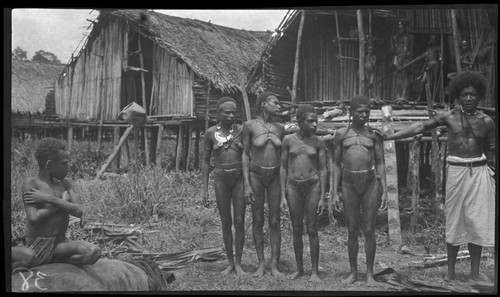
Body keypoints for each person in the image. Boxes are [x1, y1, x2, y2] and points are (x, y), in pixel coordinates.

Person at [384, 71, 495, 283]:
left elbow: (492, 151)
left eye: (473, 94)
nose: (469, 98)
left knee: (476, 221)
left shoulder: (487, 122)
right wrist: (391, 136)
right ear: (457, 96)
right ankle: (451, 274)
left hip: (479, 172)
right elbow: (420, 126)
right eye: (464, 95)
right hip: (456, 172)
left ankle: (474, 273)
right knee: (453, 220)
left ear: (479, 96)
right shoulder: (449, 116)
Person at [11, 137, 101, 271]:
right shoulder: (31, 183)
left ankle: (56, 261)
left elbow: (79, 211)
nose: (68, 168)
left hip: (58, 246)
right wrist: (63, 202)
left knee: (93, 251)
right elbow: (34, 218)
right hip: (35, 247)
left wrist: (50, 199)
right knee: (28, 257)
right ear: (49, 165)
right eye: (64, 164)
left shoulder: (66, 184)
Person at [329, 95, 388, 285]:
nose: (364, 115)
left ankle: (369, 273)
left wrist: (384, 190)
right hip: (348, 184)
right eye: (360, 111)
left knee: (370, 229)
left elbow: (380, 162)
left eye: (367, 112)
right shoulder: (341, 135)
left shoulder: (373, 135)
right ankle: (353, 272)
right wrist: (334, 191)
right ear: (351, 112)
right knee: (352, 229)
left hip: (370, 183)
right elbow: (336, 164)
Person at [280, 104, 327, 282]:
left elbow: (323, 170)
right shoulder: (288, 141)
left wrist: (323, 196)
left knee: (312, 228)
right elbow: (283, 167)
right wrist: (283, 195)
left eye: (316, 121)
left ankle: (314, 271)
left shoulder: (318, 142)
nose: (314, 124)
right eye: (310, 121)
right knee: (296, 229)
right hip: (293, 186)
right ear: (299, 122)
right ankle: (299, 268)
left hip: (312, 185)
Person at [201, 96, 247, 276]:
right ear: (218, 113)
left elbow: (249, 155)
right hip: (220, 178)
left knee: (240, 220)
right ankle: (230, 263)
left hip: (239, 179)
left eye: (234, 112)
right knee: (226, 221)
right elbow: (205, 162)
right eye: (227, 112)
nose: (231, 115)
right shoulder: (210, 133)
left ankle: (239, 263)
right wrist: (204, 189)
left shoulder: (242, 131)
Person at [242, 91, 285, 277]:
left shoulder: (280, 128)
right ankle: (260, 263)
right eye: (275, 103)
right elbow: (245, 154)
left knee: (275, 221)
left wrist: (284, 190)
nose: (279, 106)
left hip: (275, 176)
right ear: (263, 105)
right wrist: (246, 184)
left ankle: (274, 263)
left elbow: (283, 159)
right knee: (258, 219)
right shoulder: (250, 125)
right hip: (256, 176)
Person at [391, 21, 411, 100]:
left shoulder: (406, 38)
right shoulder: (397, 37)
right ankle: (398, 95)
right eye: (399, 29)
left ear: (404, 29)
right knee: (398, 77)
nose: (400, 30)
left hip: (404, 59)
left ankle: (403, 94)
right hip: (398, 58)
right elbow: (394, 48)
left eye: (401, 29)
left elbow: (405, 50)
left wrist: (401, 62)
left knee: (404, 76)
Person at [418, 34, 440, 101]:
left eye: (434, 39)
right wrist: (422, 70)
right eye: (431, 39)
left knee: (431, 83)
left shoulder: (438, 47)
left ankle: (431, 99)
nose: (432, 41)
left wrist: (438, 62)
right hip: (427, 67)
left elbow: (440, 58)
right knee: (422, 81)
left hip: (434, 67)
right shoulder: (428, 48)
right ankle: (419, 97)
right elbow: (426, 59)